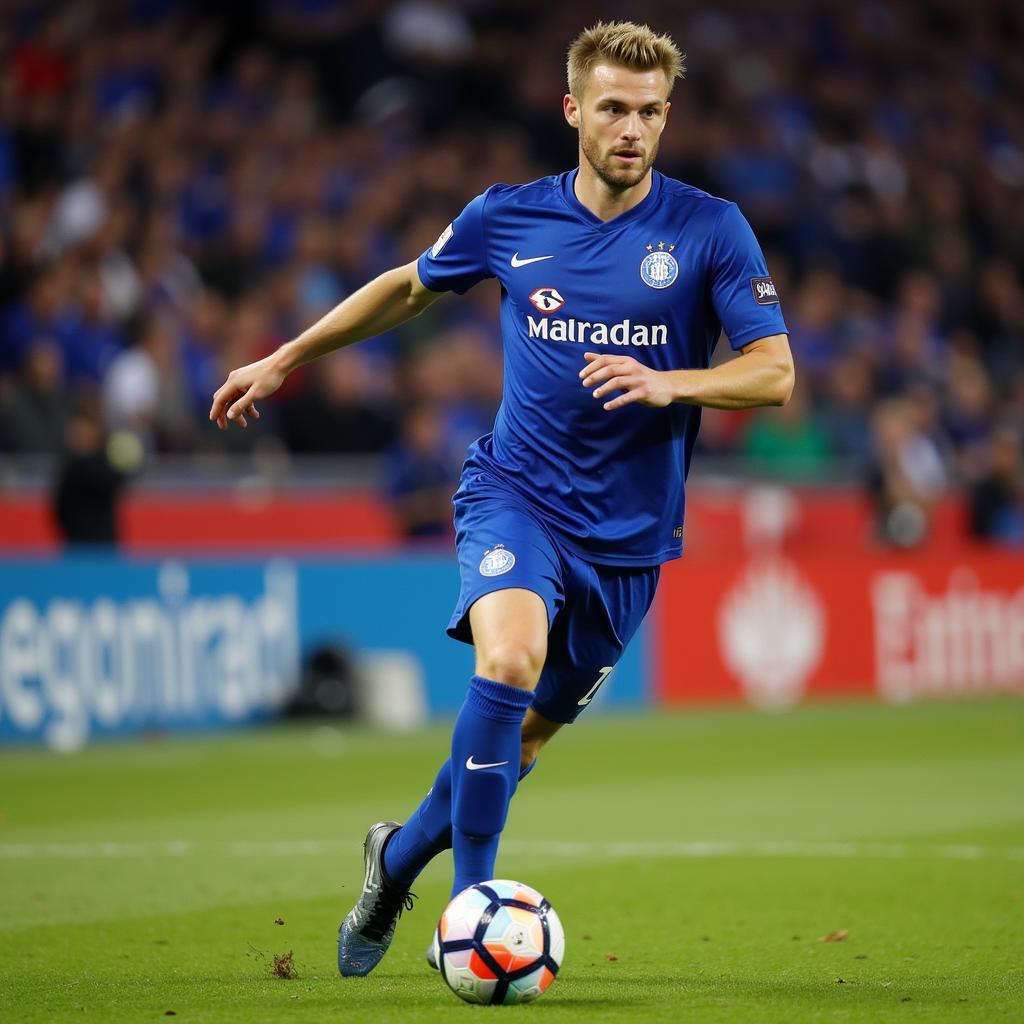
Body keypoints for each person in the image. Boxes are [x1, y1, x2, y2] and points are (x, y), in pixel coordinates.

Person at [209, 20, 794, 978]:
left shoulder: (709, 227)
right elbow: (407, 288)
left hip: (631, 544)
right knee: (510, 655)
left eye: (650, 112)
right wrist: (282, 359)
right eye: (612, 108)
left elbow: (773, 374)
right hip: (516, 494)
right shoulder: (507, 217)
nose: (632, 129)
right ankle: (469, 909)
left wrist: (673, 383)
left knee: (514, 749)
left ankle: (394, 862)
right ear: (573, 110)